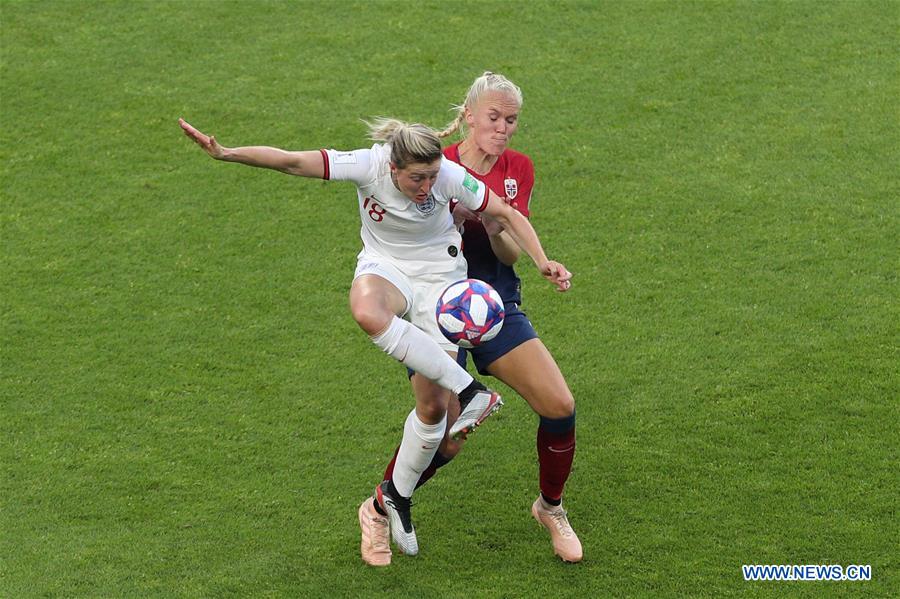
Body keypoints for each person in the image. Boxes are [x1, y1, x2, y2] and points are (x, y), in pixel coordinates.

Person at [177, 115, 572, 566]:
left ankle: (390, 502)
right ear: (394, 168)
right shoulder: (369, 164)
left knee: (433, 412)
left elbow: (503, 211)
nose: (426, 187)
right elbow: (291, 162)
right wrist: (227, 153)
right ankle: (471, 389)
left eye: (431, 176)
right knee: (367, 310)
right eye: (416, 178)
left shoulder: (447, 175)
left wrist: (541, 260)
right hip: (386, 267)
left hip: (440, 282)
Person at [380, 72, 583, 563]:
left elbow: (508, 254)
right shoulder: (437, 166)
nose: (504, 127)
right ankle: (383, 501)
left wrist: (493, 225)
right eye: (494, 117)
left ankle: (550, 508)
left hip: (495, 306)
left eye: (511, 120)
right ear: (469, 116)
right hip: (435, 312)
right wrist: (449, 219)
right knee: (445, 437)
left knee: (559, 405)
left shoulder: (517, 169)